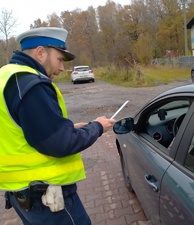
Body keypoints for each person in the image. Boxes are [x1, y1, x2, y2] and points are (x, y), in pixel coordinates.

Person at [0, 27, 116, 225]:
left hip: (19, 191)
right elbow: (59, 144)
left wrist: (68, 127)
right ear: (41, 52)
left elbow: (21, 128)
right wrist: (96, 127)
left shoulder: (7, 76)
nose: (62, 68)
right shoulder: (31, 84)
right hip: (47, 198)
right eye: (60, 59)